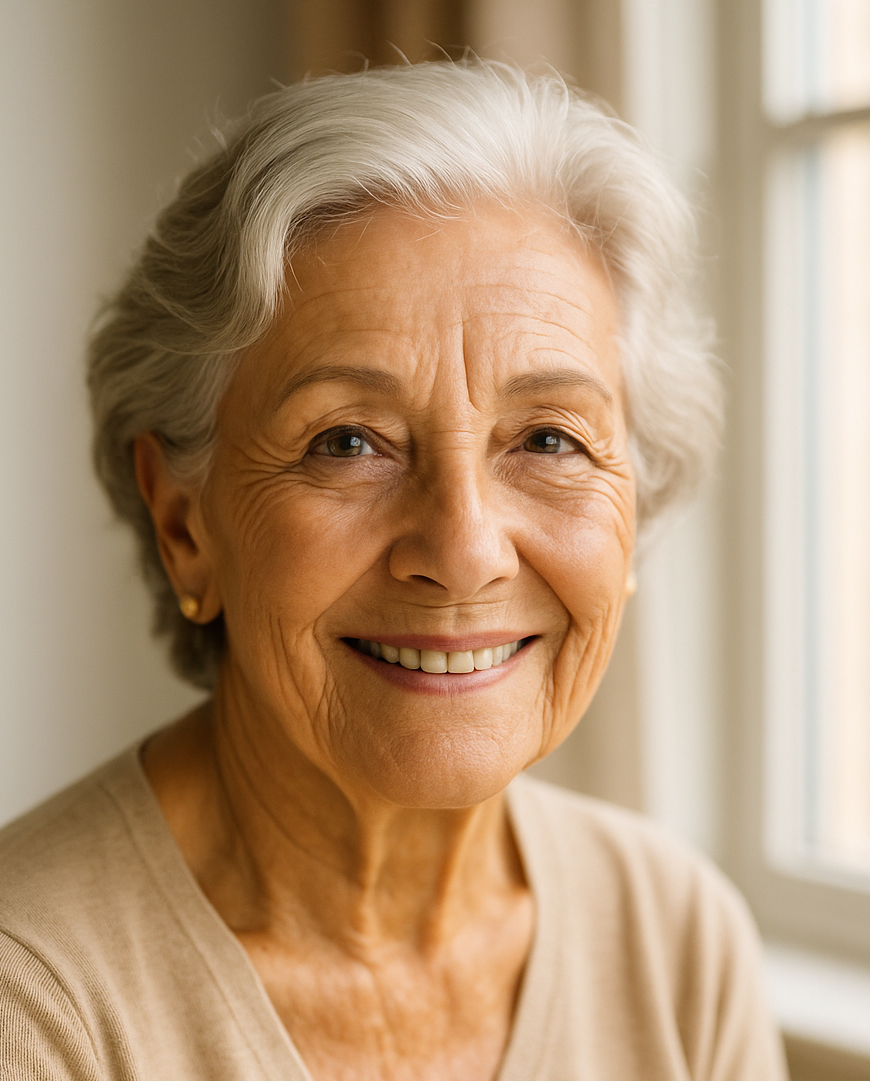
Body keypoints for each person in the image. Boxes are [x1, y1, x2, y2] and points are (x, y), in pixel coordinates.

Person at [0, 61, 787, 1080]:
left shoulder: (676, 943)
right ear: (185, 520)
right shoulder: (36, 1002)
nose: (463, 548)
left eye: (549, 440)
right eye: (346, 441)